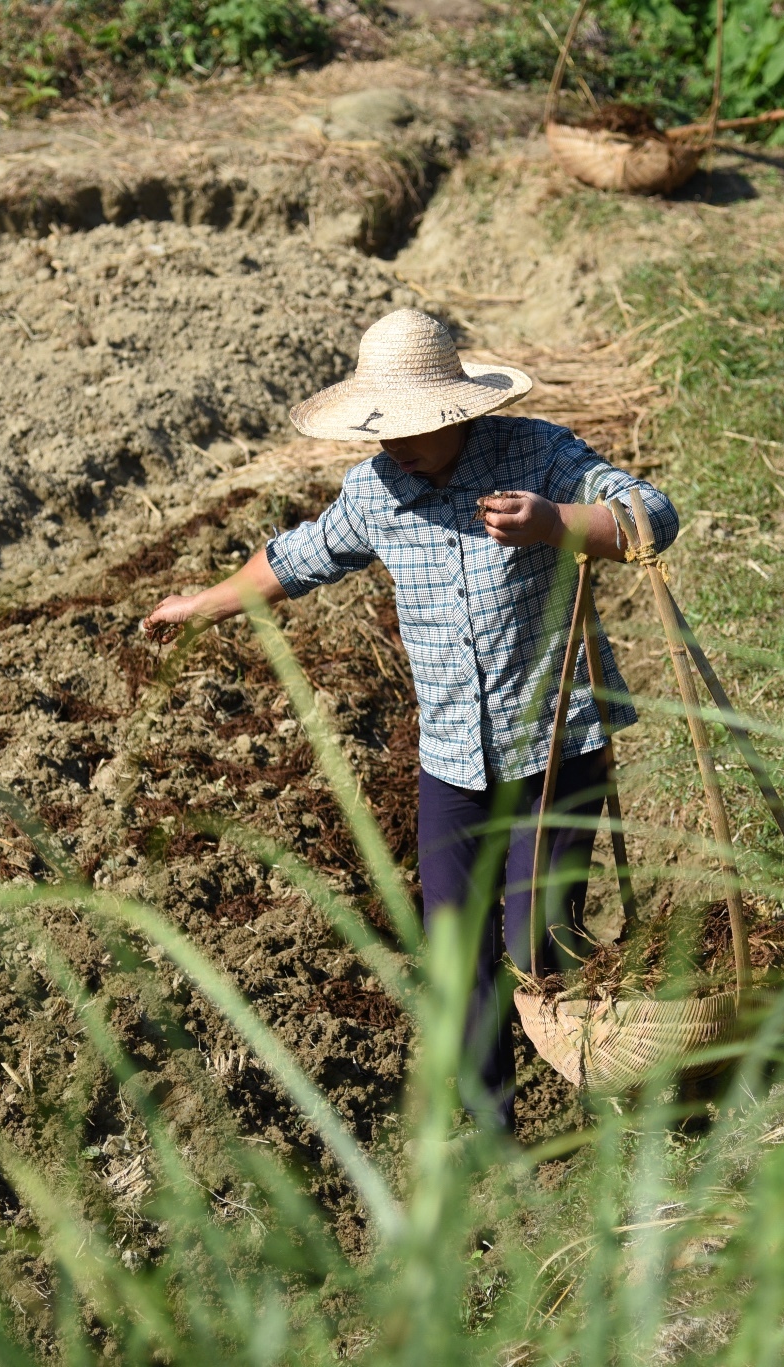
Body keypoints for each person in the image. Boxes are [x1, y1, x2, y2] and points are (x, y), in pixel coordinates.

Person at [142, 308, 678, 1131]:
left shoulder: (537, 452)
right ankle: (496, 1132)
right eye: (385, 428)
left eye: (416, 426)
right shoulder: (375, 491)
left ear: (459, 410)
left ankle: (594, 1065)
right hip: (455, 757)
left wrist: (557, 524)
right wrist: (205, 604)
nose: (397, 444)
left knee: (538, 937)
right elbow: (299, 556)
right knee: (456, 950)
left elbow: (652, 513)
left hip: (555, 742)